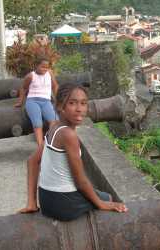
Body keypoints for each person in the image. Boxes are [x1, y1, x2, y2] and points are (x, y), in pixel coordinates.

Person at [19, 83, 128, 221]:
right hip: (63, 203)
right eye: (72, 103)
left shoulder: (54, 127)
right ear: (60, 106)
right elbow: (80, 181)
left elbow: (32, 161)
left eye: (83, 103)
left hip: (47, 199)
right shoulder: (68, 135)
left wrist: (32, 202)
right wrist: (101, 204)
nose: (79, 109)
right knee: (107, 198)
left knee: (100, 195)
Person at [14, 57, 59, 146]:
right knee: (38, 124)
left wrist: (57, 99)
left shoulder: (49, 73)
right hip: (33, 101)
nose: (45, 69)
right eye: (42, 67)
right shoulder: (31, 76)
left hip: (46, 101)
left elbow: (55, 86)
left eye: (47, 67)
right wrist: (20, 102)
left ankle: (50, 142)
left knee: (54, 121)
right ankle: (40, 146)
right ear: (36, 66)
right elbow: (23, 88)